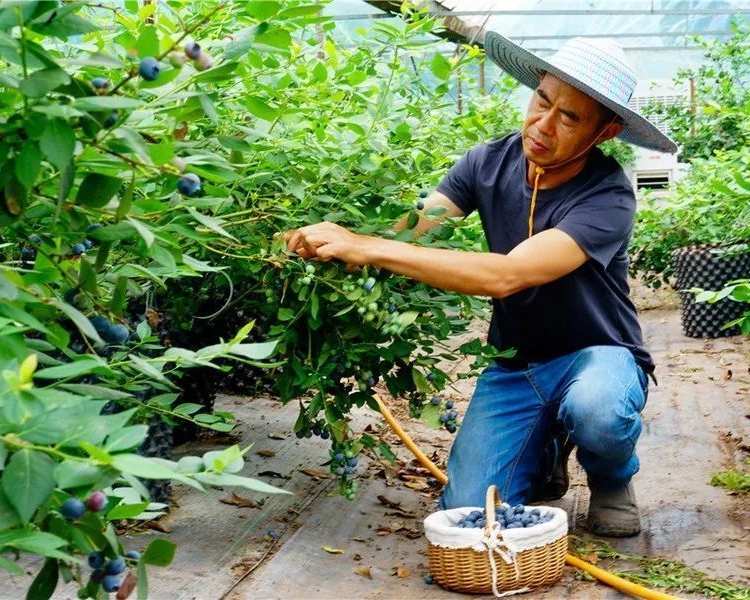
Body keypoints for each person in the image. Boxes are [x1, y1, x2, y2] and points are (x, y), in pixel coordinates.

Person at [283, 33, 676, 537]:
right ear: (535, 88)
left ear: (604, 132)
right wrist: (329, 240)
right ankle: (548, 443)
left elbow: (506, 275)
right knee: (468, 511)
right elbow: (410, 228)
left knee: (597, 408)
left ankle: (611, 478)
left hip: (597, 355)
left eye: (570, 118)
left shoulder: (608, 195)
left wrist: (368, 247)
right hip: (516, 365)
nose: (543, 125)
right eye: (543, 101)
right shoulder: (486, 162)